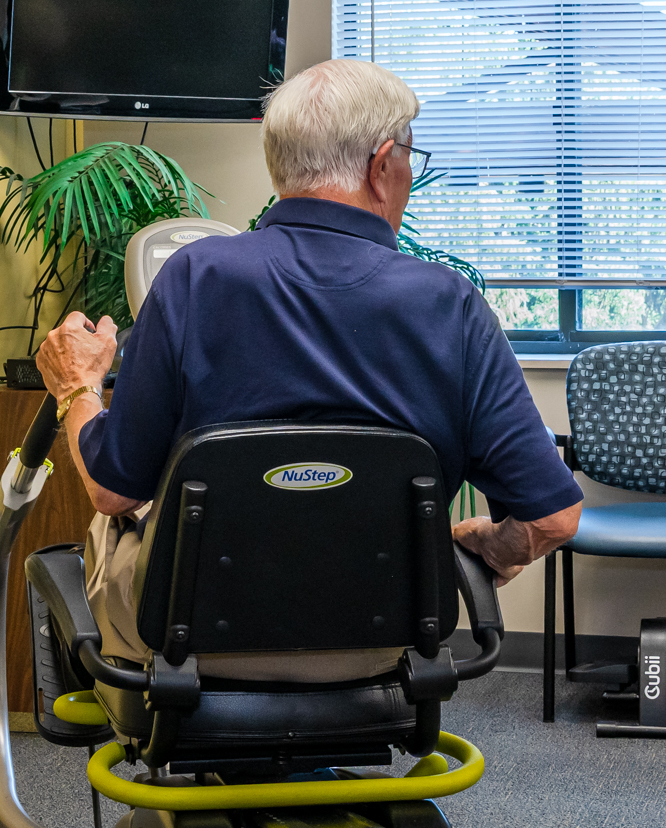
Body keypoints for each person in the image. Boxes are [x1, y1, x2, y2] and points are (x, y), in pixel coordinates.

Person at [35, 57, 582, 673]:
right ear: (382, 166)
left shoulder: (194, 277)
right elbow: (554, 517)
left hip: (196, 645)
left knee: (125, 523)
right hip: (383, 645)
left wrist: (77, 388)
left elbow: (112, 489)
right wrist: (494, 545)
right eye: (409, 155)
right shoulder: (449, 303)